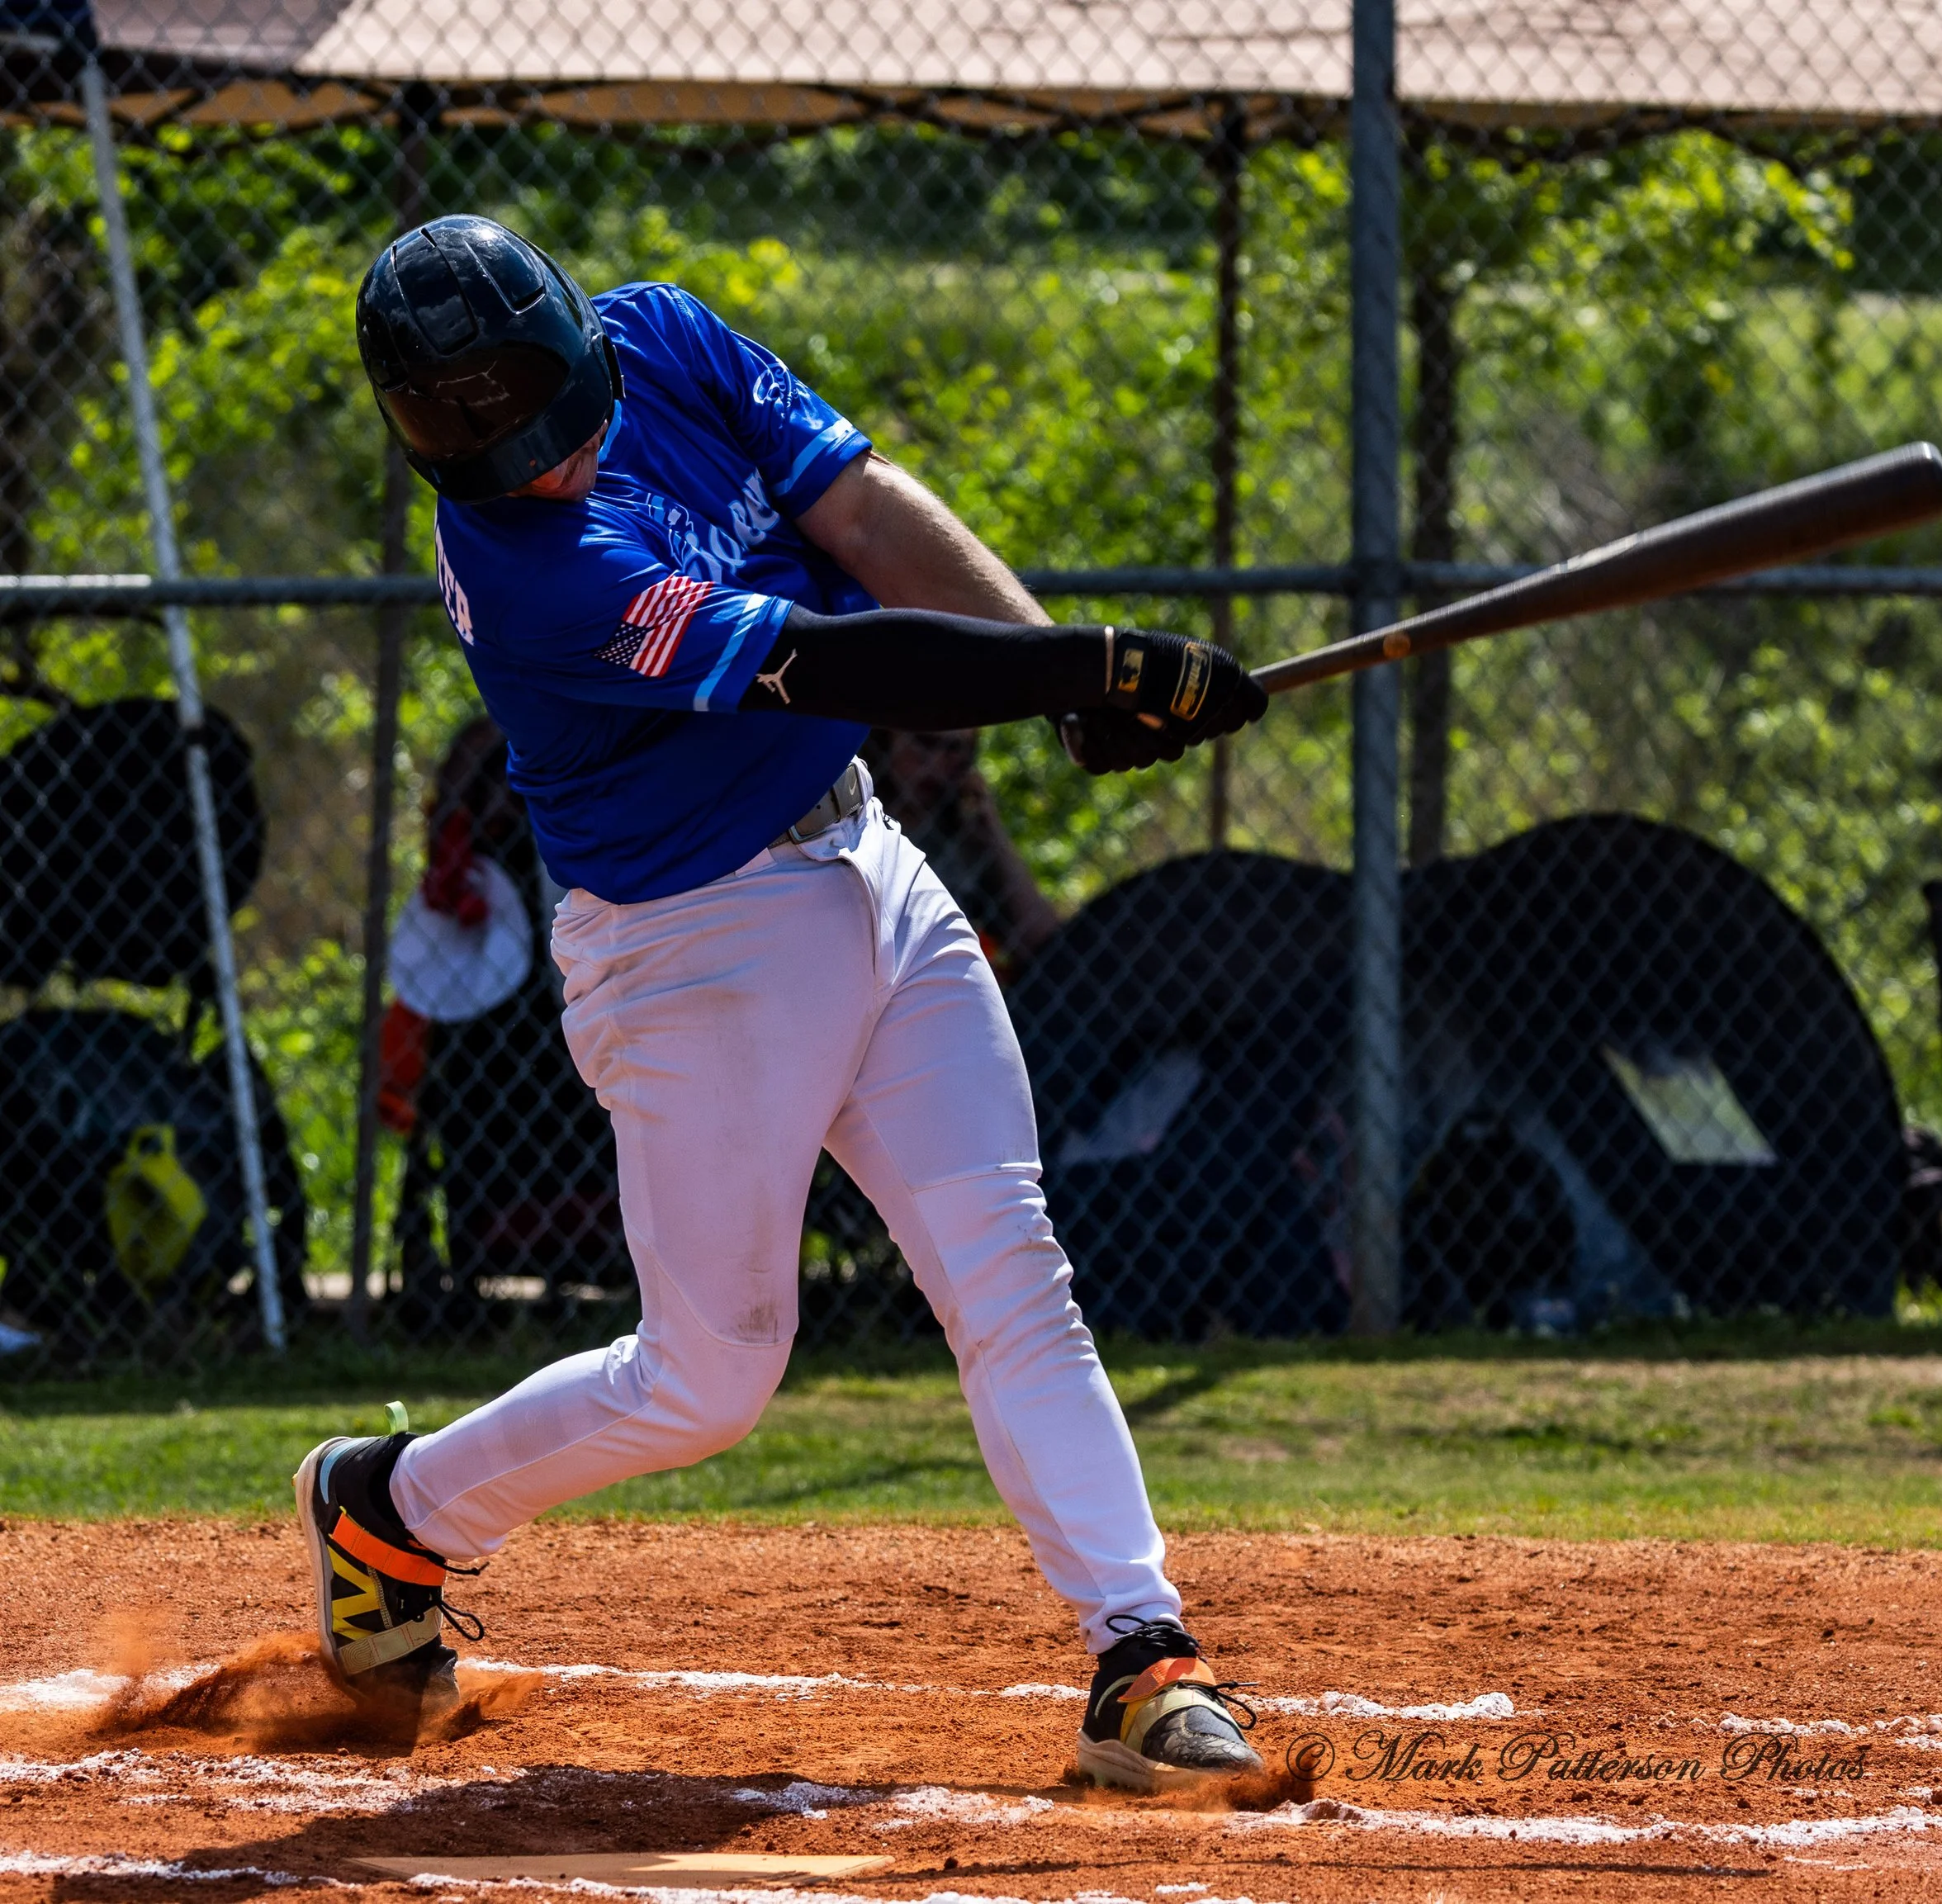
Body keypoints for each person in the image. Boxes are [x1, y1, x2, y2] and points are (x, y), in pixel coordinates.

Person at [296, 215, 1267, 1792]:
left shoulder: (665, 334)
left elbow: (862, 509)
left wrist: (1056, 671)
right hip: (697, 947)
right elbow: (823, 658)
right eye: (492, 456)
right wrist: (1085, 669)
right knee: (711, 1372)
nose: (537, 469)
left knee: (1010, 1266)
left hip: (869, 862)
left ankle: (1142, 1657)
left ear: (584, 351)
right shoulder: (530, 568)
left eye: (554, 428)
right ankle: (390, 1510)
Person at [864, 727, 1060, 978]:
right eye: (923, 742)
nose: (935, 762)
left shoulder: (967, 836)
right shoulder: (853, 819)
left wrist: (993, 834)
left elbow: (1046, 946)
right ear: (887, 738)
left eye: (954, 749)